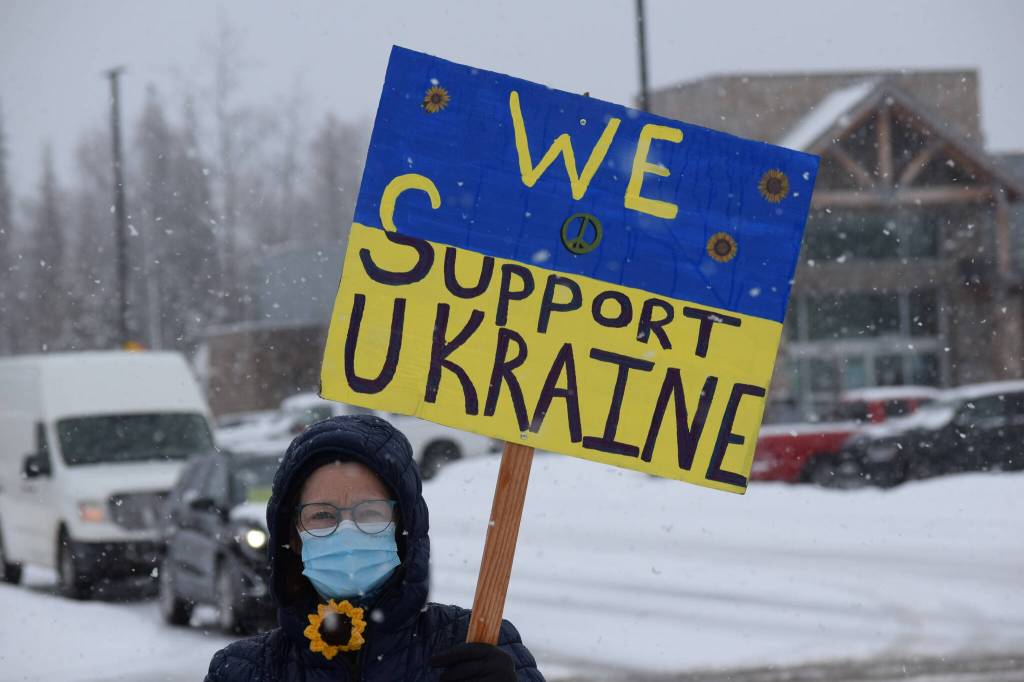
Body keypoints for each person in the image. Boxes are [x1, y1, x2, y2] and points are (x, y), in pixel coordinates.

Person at [204, 413, 544, 681]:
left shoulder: (476, 645)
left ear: (403, 529)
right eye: (322, 514)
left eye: (369, 513)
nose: (347, 531)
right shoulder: (243, 671)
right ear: (292, 536)